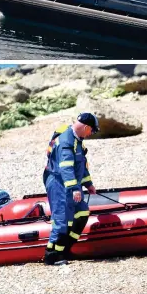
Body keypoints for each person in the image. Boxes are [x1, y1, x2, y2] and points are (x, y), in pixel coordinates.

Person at [42, 113, 99, 265]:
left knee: (82, 212)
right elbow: (66, 167)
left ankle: (65, 249)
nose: (91, 134)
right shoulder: (66, 141)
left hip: (69, 183)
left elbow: (81, 165)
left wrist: (88, 184)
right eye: (92, 131)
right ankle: (52, 255)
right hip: (58, 182)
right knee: (61, 219)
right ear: (86, 127)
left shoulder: (78, 141)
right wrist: (75, 188)